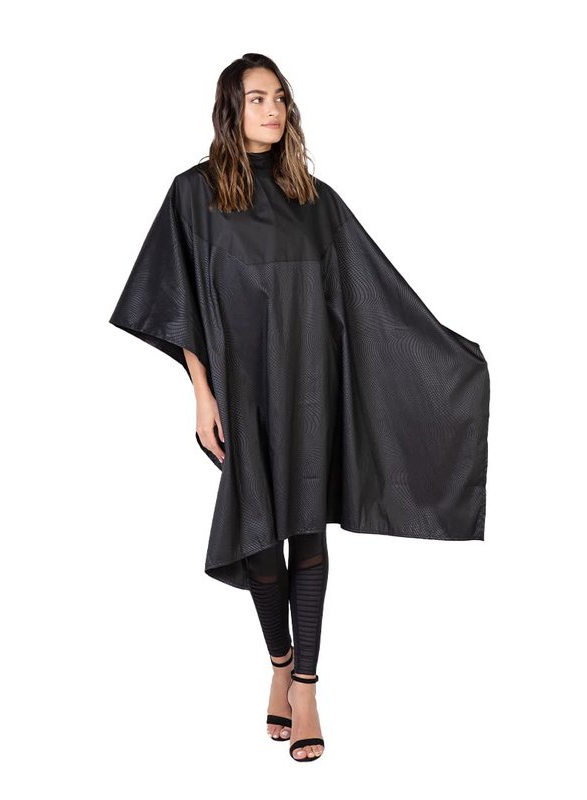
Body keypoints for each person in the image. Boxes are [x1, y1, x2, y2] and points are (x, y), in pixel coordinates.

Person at [109, 53, 490, 763]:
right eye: (257, 98)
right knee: (260, 530)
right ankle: (280, 662)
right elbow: (179, 297)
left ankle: (306, 686)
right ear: (231, 108)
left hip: (311, 384)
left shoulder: (315, 199)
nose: (272, 110)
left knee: (307, 532)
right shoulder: (193, 194)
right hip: (242, 388)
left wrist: (448, 358)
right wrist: (201, 394)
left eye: (280, 98)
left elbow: (373, 293)